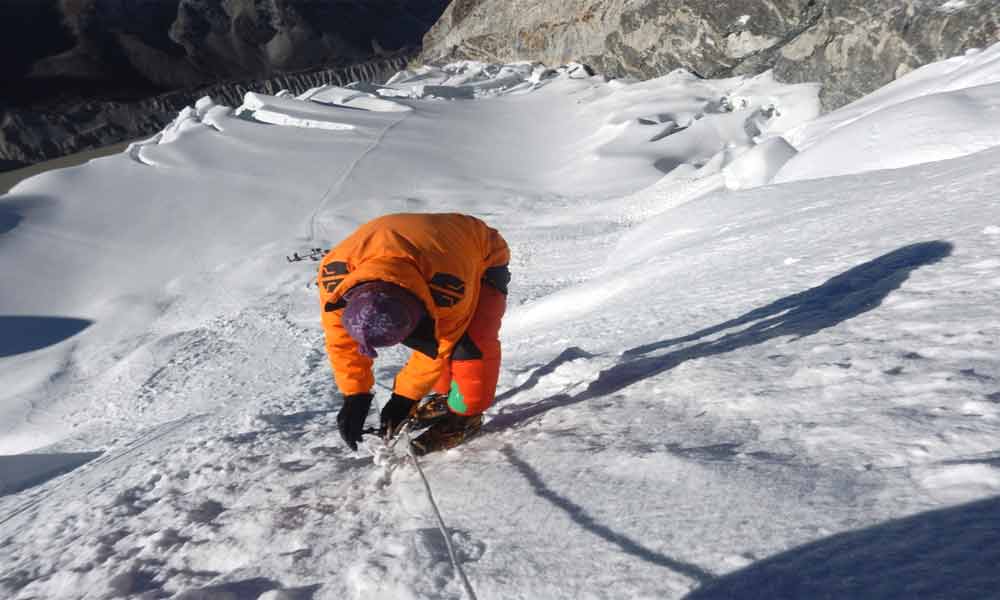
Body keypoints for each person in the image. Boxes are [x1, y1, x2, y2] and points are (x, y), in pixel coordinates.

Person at [318, 213, 510, 455]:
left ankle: (466, 415)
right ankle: (446, 396)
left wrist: (405, 398)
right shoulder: (336, 278)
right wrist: (355, 394)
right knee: (435, 346)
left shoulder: (449, 288)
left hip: (480, 251)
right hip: (419, 246)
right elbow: (340, 340)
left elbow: (440, 345)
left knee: (468, 344)